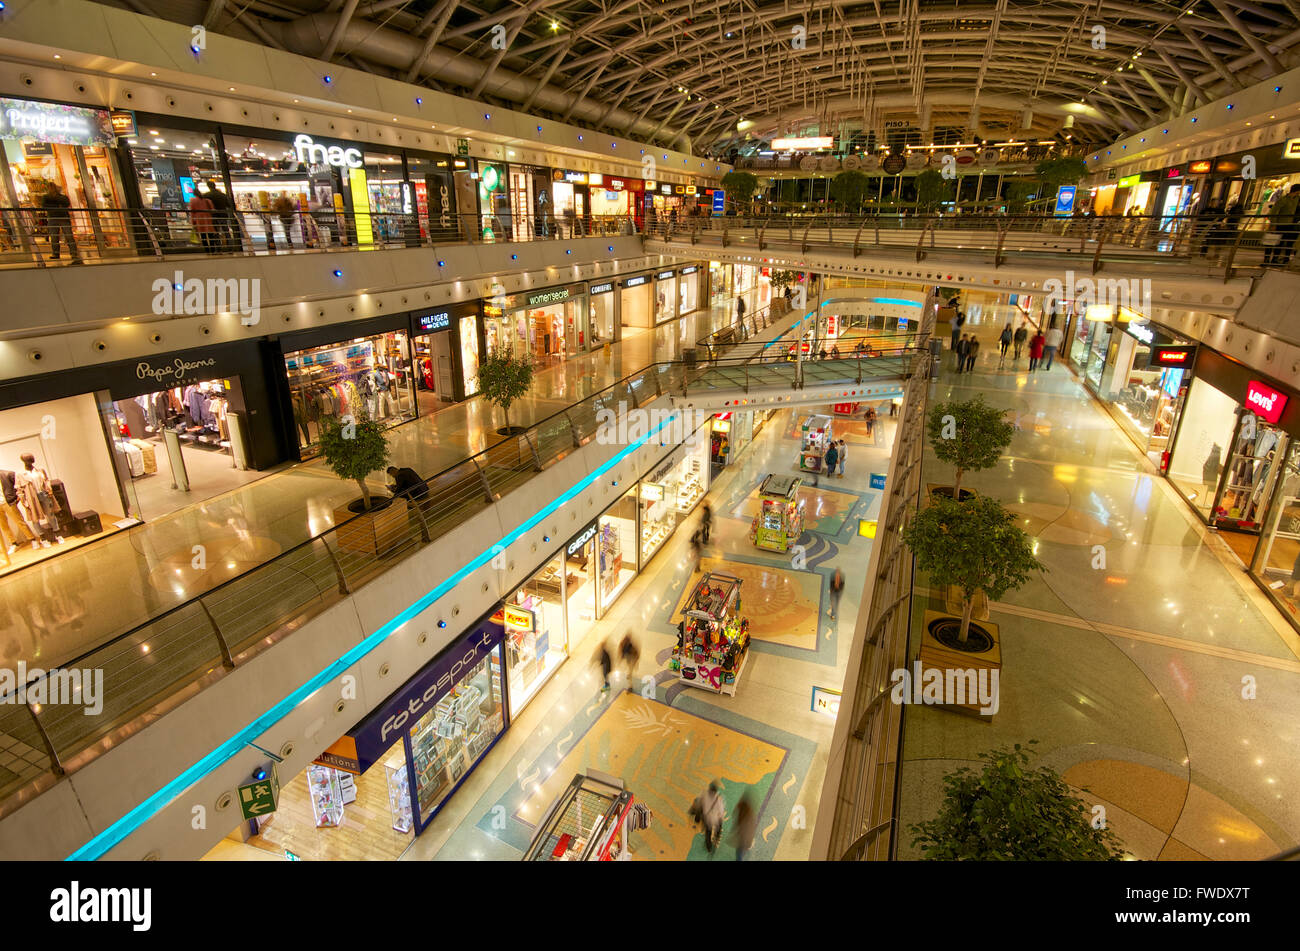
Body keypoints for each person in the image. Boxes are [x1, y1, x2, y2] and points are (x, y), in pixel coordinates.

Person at [387, 465, 431, 543]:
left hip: (419, 495)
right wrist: (396, 487)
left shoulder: (399, 476)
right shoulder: (407, 469)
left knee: (399, 499)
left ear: (392, 472)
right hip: (425, 490)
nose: (392, 476)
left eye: (391, 475)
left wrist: (391, 495)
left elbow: (399, 491)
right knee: (404, 493)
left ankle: (402, 513)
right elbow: (406, 483)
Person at [39, 182, 80, 263]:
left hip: (59, 218)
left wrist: (54, 203)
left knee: (67, 236)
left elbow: (66, 203)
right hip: (56, 218)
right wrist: (58, 206)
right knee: (56, 237)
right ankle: (59, 253)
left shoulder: (58, 197)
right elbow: (44, 205)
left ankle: (72, 253)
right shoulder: (48, 197)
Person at [1266, 184, 1300, 266]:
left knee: (1288, 242)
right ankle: (1274, 259)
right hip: (1281, 224)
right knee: (1278, 242)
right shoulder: (1283, 199)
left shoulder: (1297, 199)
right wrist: (1274, 224)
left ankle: (1283, 258)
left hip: (1291, 224)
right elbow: (1273, 212)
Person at [691, 781, 726, 854]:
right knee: (718, 829)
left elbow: (699, 803)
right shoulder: (718, 799)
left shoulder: (704, 795)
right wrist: (720, 818)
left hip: (707, 819)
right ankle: (716, 838)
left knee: (708, 833)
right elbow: (721, 812)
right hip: (716, 819)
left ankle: (709, 847)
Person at [730, 793, 758, 861]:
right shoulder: (750, 814)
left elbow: (741, 830)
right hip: (747, 838)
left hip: (743, 839)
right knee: (740, 850)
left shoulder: (742, 817)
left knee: (739, 852)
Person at [187, 188, 216, 253]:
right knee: (210, 235)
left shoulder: (193, 200)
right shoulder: (207, 200)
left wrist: (193, 222)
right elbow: (212, 209)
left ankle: (207, 250)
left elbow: (192, 212)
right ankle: (213, 249)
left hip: (199, 219)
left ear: (194, 194)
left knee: (203, 235)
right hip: (208, 218)